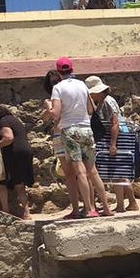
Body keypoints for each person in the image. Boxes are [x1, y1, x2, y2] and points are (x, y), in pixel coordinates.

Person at [49, 57, 113, 218]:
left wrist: (49, 110)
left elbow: (56, 113)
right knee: (93, 171)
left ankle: (89, 209)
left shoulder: (58, 88)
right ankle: (105, 208)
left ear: (58, 72)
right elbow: (91, 109)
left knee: (80, 172)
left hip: (70, 130)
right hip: (86, 129)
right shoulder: (82, 85)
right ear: (72, 70)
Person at [85, 77, 139, 213]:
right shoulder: (102, 102)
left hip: (118, 137)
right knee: (121, 172)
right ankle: (132, 202)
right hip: (114, 137)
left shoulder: (108, 102)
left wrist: (113, 144)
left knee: (117, 172)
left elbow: (115, 123)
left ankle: (121, 205)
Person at [0, 105, 34, 219]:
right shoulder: (14, 120)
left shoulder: (4, 121)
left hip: (13, 154)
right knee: (19, 184)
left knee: (0, 181)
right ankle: (27, 213)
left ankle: (5, 211)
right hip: (25, 152)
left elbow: (8, 138)